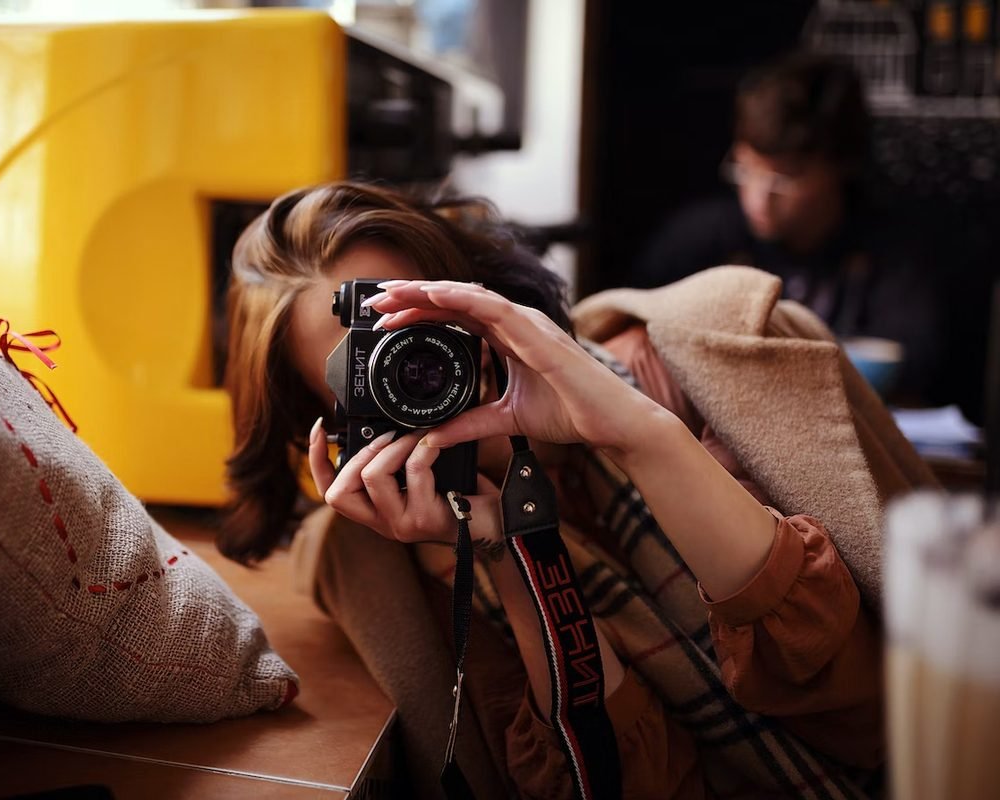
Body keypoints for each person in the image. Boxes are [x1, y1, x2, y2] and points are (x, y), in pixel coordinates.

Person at [220, 181, 933, 798]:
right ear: (332, 425)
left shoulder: (695, 371)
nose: (416, 366)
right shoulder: (404, 564)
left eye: (415, 322)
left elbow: (863, 710)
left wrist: (639, 434)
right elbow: (627, 786)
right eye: (366, 366)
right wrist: (503, 546)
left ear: (473, 288)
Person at [632, 51, 941, 403]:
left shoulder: (890, 255)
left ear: (840, 166)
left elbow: (914, 364)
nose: (758, 199)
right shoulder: (698, 241)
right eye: (746, 169)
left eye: (785, 178)